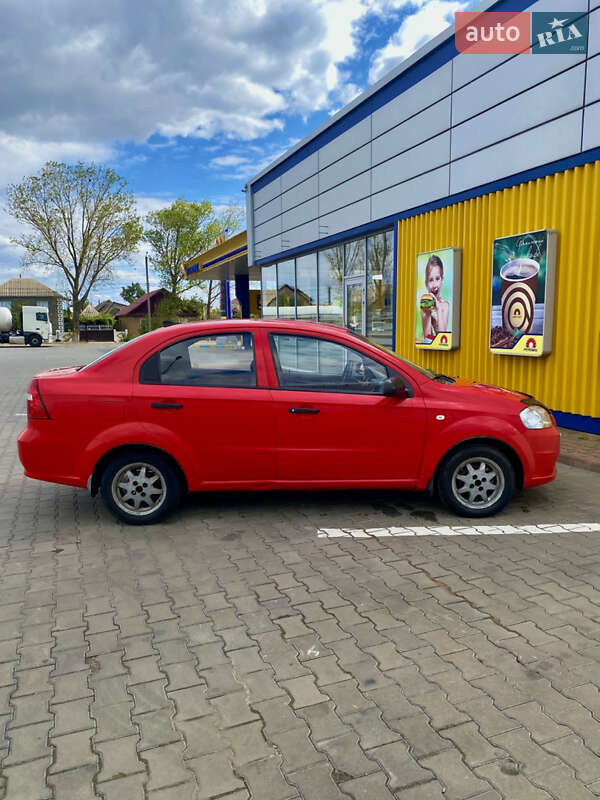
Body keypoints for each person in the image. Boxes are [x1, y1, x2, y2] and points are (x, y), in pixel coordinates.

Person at [420, 255, 449, 341]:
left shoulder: (445, 306)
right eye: (431, 280)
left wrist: (439, 309)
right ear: (426, 283)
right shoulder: (424, 306)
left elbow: (443, 337)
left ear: (442, 280)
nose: (435, 285)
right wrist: (428, 312)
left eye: (437, 279)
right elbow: (427, 338)